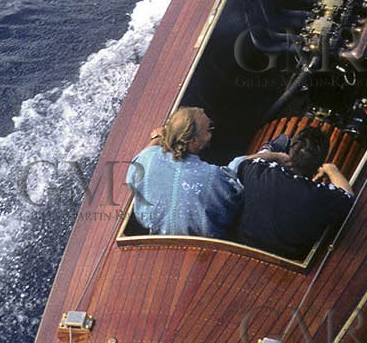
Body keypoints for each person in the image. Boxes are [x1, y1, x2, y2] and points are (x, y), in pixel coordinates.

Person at [231, 125, 353, 259]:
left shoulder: (259, 172)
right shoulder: (320, 196)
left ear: (290, 150)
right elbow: (348, 197)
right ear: (319, 163)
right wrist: (332, 169)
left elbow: (242, 163)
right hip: (287, 266)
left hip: (241, 251)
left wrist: (276, 155)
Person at [126, 107, 240, 238]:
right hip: (208, 245)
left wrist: (157, 138)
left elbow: (144, 156)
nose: (211, 133)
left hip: (159, 241)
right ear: (194, 141)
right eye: (209, 129)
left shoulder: (146, 159)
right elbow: (233, 204)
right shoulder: (212, 176)